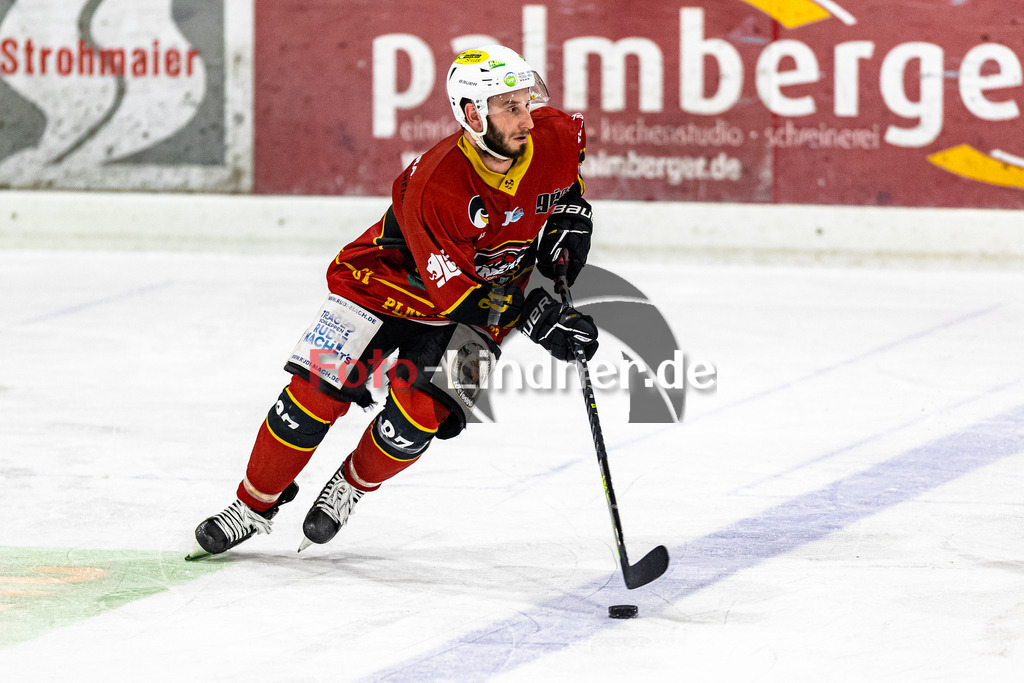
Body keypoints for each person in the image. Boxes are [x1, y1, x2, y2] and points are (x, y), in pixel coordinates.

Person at [187, 45, 599, 559]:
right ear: (472, 115)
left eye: (525, 102)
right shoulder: (433, 184)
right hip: (384, 284)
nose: (527, 120)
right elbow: (459, 297)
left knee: (420, 419)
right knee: (312, 395)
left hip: (487, 296)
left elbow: (566, 181)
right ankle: (251, 506)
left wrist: (571, 216)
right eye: (509, 107)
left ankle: (351, 486)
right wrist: (536, 319)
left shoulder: (555, 133)